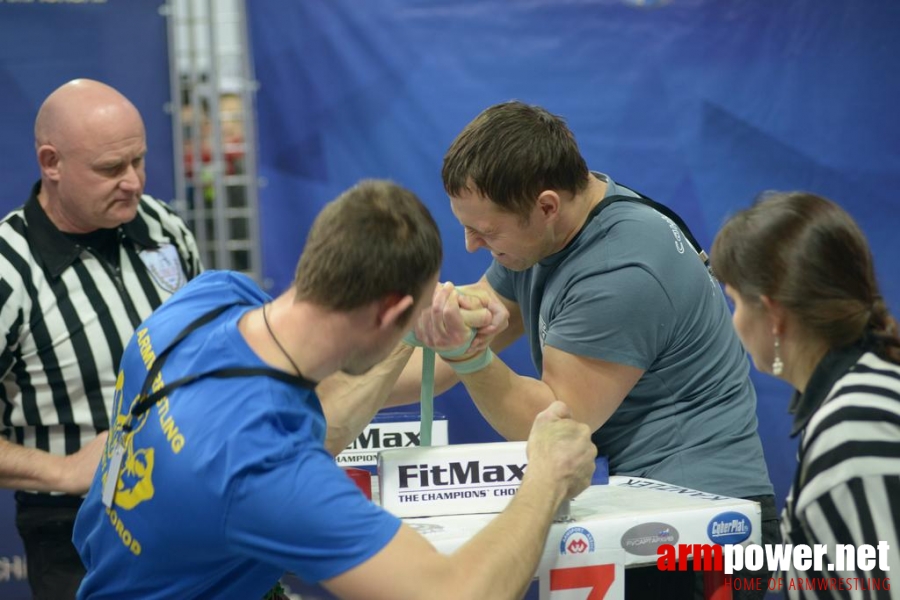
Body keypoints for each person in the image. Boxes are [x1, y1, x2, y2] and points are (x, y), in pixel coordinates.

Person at [72, 179, 597, 600]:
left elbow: (309, 429)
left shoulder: (206, 301)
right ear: (389, 310)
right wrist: (547, 479)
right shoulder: (264, 470)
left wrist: (403, 335)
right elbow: (456, 591)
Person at [391, 101, 778, 599]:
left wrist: (470, 355)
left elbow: (552, 423)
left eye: (485, 232)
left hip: (703, 529)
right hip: (636, 512)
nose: (470, 246)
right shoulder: (538, 232)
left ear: (547, 205)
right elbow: (449, 343)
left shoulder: (623, 269)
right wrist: (328, 390)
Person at [0, 78, 203, 599]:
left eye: (139, 161)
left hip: (192, 508)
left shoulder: (165, 229)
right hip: (77, 534)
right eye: (112, 169)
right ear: (52, 162)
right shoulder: (8, 269)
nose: (134, 182)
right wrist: (62, 470)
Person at [711, 191, 900, 595]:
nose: (734, 322)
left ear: (774, 315)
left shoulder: (854, 431)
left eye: (736, 303)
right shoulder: (865, 397)